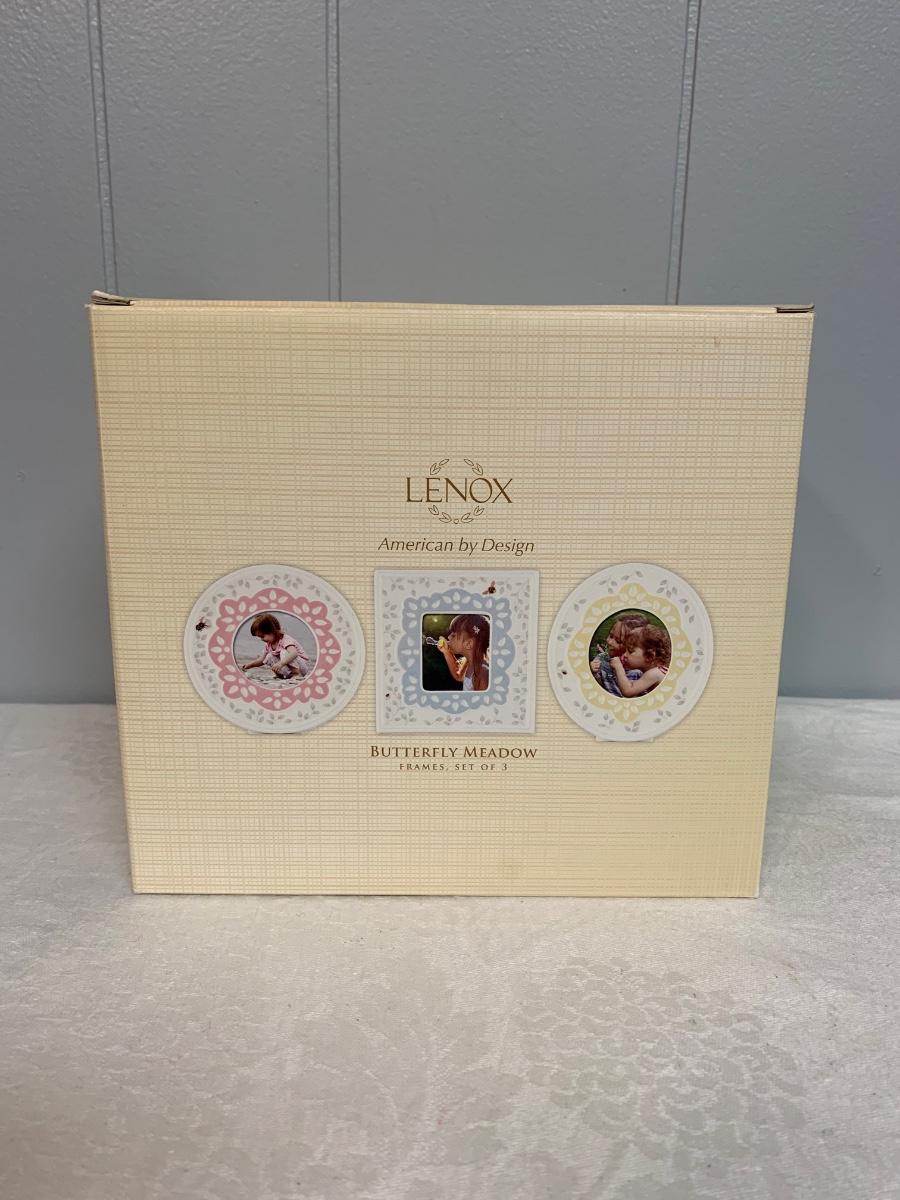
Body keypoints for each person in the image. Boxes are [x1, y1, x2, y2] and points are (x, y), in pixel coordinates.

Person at [239, 612, 312, 680]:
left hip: (301, 666)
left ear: (273, 631)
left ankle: (296, 673)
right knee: (269, 656)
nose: (261, 639)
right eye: (260, 637)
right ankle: (280, 675)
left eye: (262, 636)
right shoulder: (269, 645)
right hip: (287, 667)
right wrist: (250, 665)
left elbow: (294, 653)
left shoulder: (285, 640)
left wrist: (281, 663)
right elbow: (262, 660)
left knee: (283, 652)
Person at [591, 613, 647, 696]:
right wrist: (592, 672)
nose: (609, 642)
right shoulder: (601, 658)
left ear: (633, 647)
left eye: (618, 641)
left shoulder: (639, 671)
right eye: (611, 636)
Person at [611, 623, 671, 697]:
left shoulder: (654, 673)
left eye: (630, 651)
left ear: (649, 656)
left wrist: (619, 668)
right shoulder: (654, 670)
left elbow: (628, 691)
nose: (625, 655)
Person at [437, 613, 490, 692]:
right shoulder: (470, 663)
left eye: (453, 635)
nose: (448, 637)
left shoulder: (482, 673)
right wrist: (447, 652)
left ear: (468, 644)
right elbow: (458, 676)